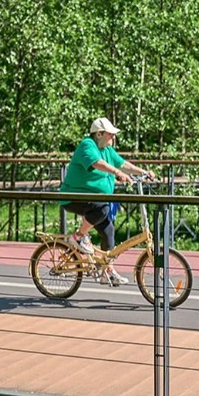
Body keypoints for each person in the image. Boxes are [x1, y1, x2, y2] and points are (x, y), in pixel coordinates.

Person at [60, 117, 155, 286]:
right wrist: (117, 173)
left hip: (95, 199)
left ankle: (107, 271)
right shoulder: (87, 145)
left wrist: (144, 172)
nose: (113, 138)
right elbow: (97, 163)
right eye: (111, 135)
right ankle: (78, 236)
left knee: (109, 232)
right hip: (74, 197)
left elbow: (123, 163)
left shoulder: (108, 149)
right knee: (103, 209)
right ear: (99, 134)